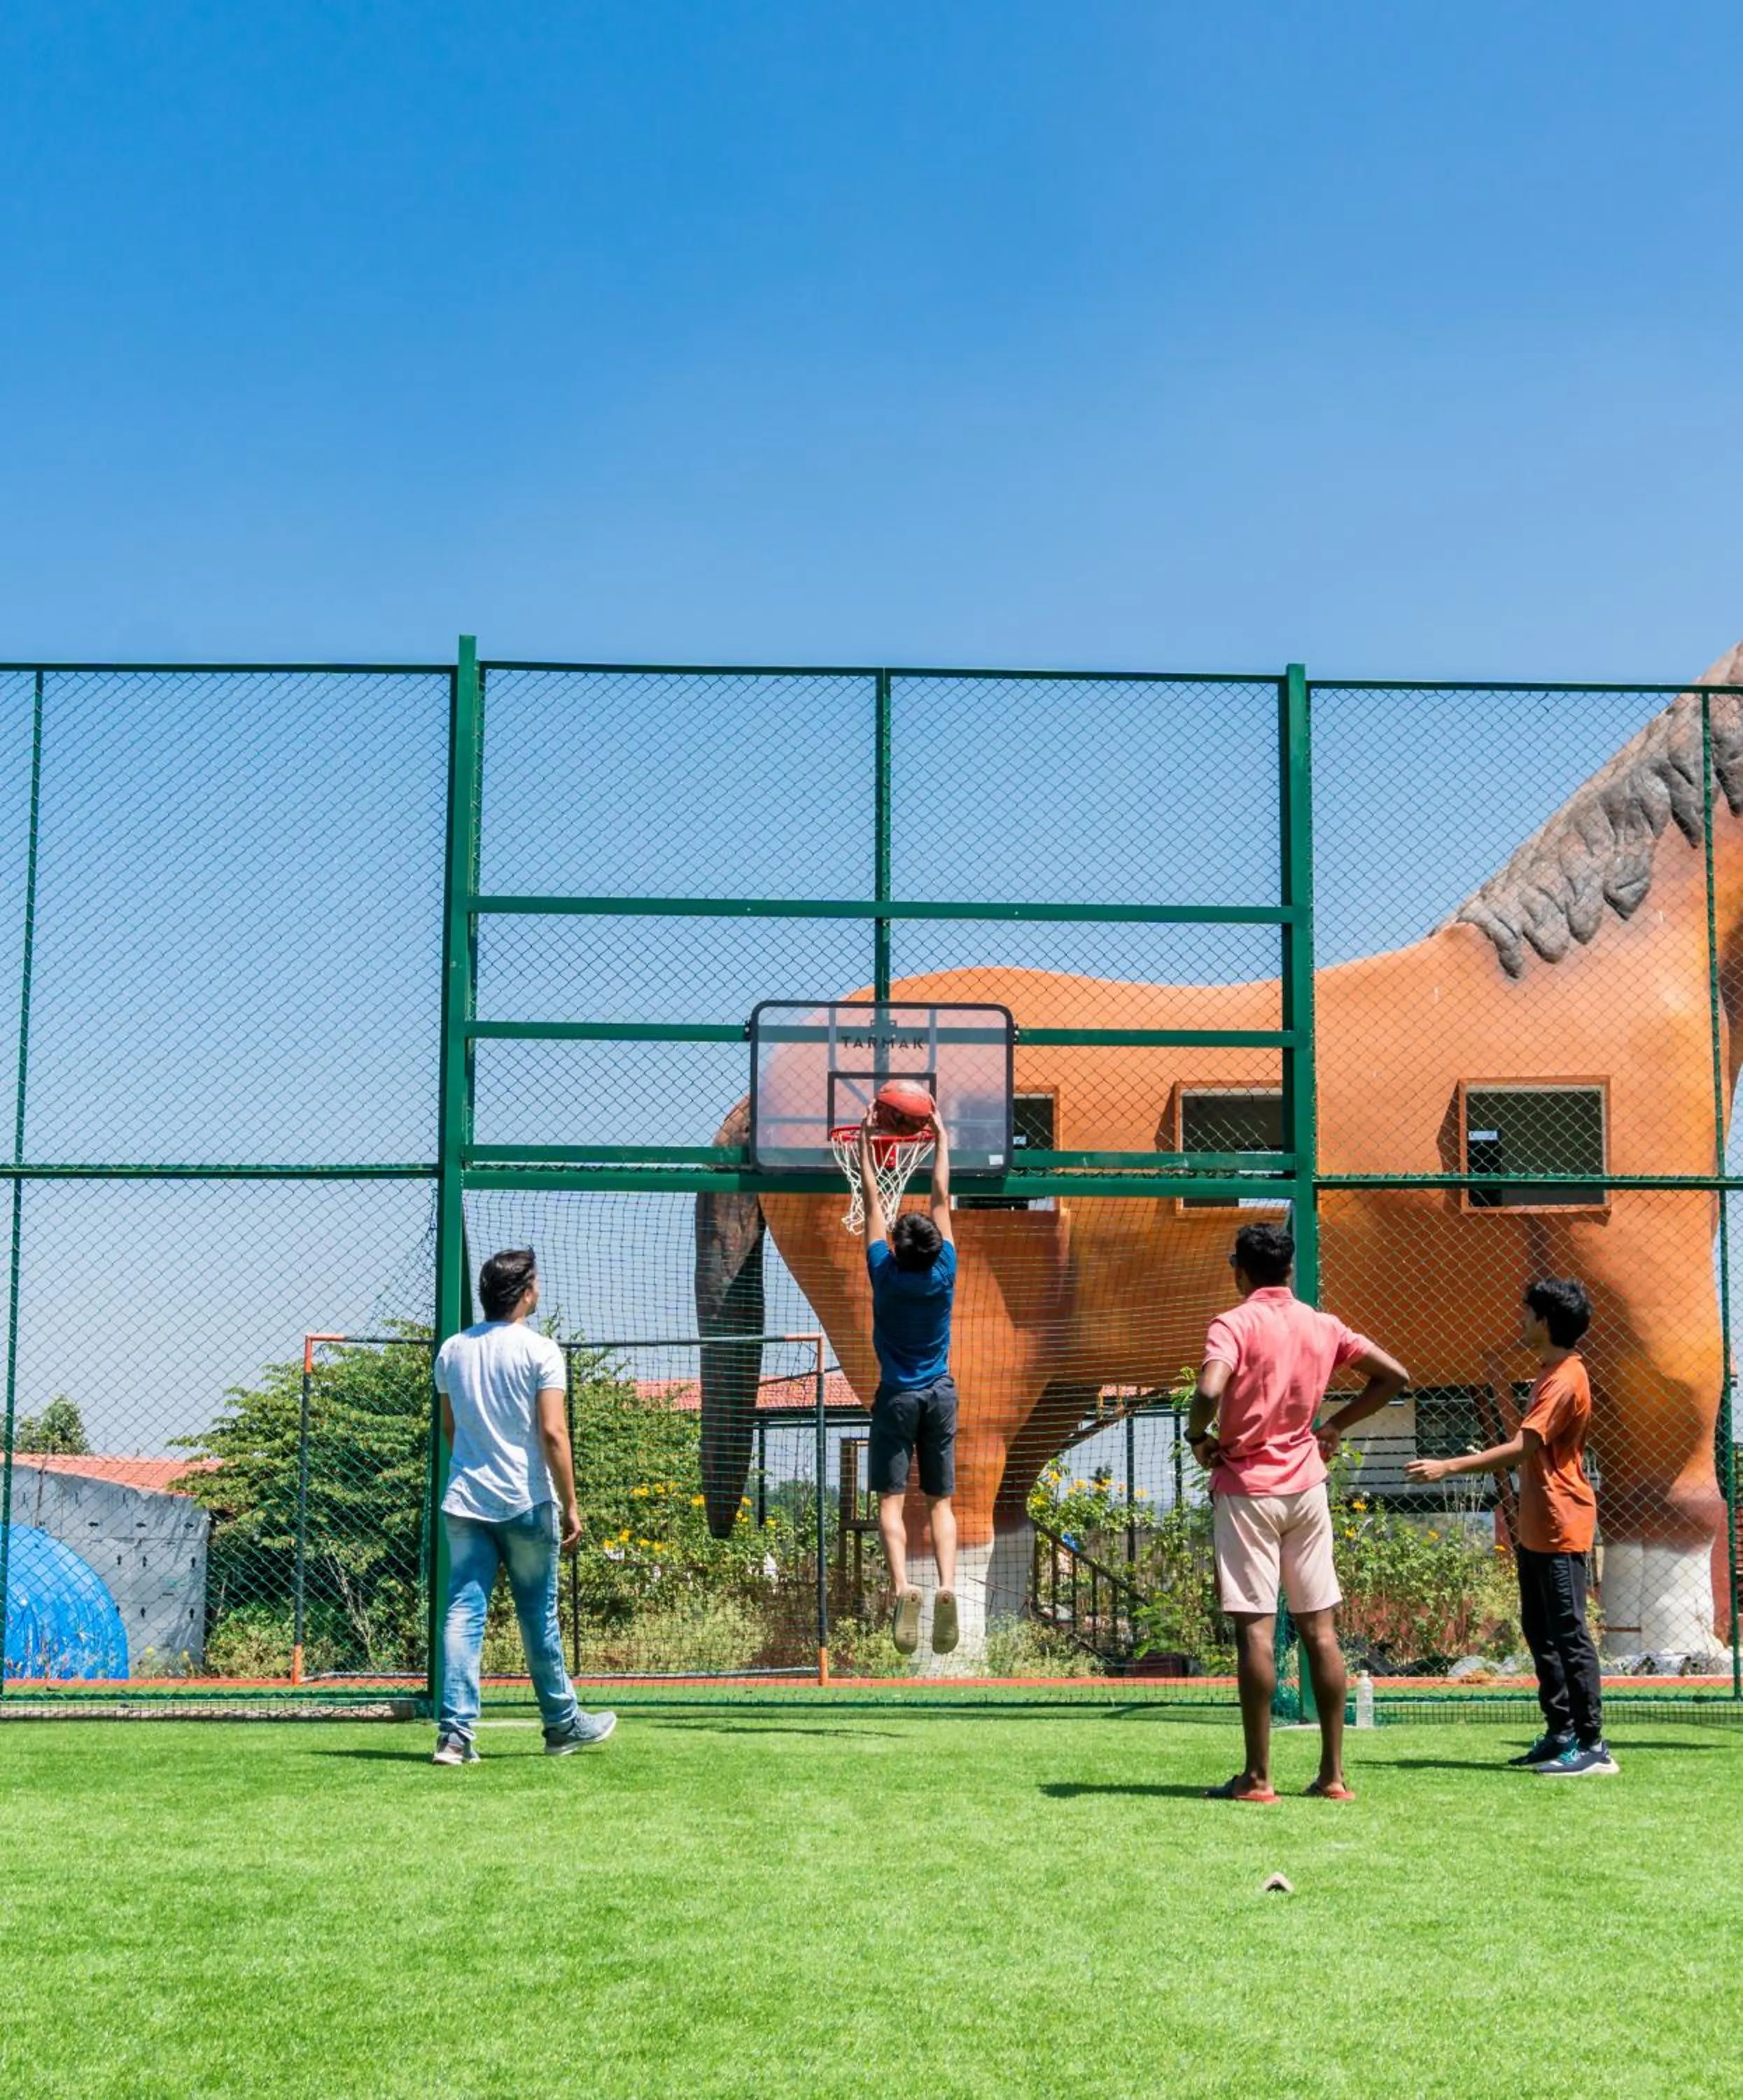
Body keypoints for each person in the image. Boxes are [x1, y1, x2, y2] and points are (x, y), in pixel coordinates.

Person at [1188, 1220, 1408, 1803]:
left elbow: (1210, 1389)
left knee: (1256, 1630)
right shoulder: (1323, 1325)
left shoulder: (1233, 1324)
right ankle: (1333, 1776)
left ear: (1240, 1271)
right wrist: (1335, 1424)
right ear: (1289, 1269)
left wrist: (1196, 1436)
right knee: (1321, 1630)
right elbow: (1395, 1377)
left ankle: (1258, 1778)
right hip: (1307, 1488)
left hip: (1246, 1490)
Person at [1407, 1278, 1616, 1776]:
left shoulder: (1565, 1379)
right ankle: (1561, 1732)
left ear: (1545, 1322)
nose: (1519, 1320)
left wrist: (1449, 1466)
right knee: (1540, 1631)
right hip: (1538, 1524)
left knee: (1569, 1634)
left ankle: (1593, 1746)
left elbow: (1524, 1447)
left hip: (1562, 1522)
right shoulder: (1550, 1373)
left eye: (1526, 1313)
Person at [431, 1247, 616, 1765]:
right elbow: (554, 1434)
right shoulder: (542, 1351)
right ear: (526, 1292)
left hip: (465, 1502)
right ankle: (561, 1726)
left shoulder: (451, 1351)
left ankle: (454, 1737)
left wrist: (474, 1465)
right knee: (538, 1615)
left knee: (463, 1614)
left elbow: (451, 1428)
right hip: (526, 1502)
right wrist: (572, 1504)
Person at [857, 1098, 960, 1656]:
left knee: (891, 1504)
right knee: (941, 1503)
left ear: (894, 1248)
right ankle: (947, 1585)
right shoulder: (945, 1269)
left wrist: (867, 1148)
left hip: (896, 1395)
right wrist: (940, 1137)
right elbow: (941, 1195)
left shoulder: (883, 1273)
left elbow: (872, 1198)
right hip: (940, 1394)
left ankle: (904, 1588)